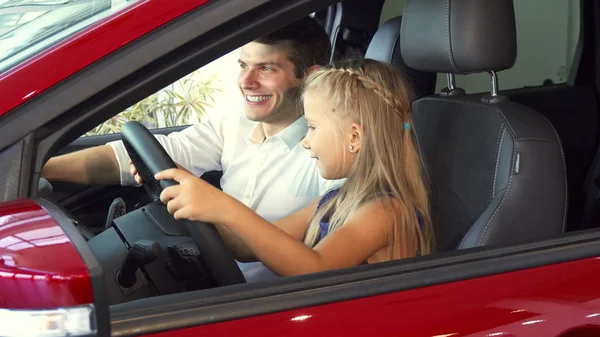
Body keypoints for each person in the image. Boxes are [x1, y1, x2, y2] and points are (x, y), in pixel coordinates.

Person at [41, 17, 343, 281]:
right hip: (206, 275)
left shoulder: (334, 157)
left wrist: (211, 202)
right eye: (242, 66)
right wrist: (38, 168)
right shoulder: (233, 124)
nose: (246, 82)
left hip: (259, 304)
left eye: (266, 68)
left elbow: (263, 252)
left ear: (311, 75)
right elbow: (136, 155)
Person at [154, 59, 433, 276]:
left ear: (355, 138)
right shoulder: (336, 198)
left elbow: (317, 269)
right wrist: (195, 191)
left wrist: (225, 207)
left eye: (311, 127)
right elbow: (248, 247)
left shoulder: (387, 211)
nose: (306, 142)